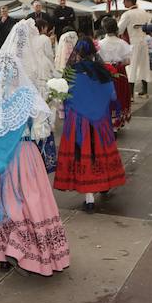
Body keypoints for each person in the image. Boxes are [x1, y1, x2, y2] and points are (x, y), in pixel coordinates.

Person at [0, 20, 71, 277]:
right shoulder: (28, 97)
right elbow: (42, 130)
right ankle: (30, 252)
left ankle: (3, 251)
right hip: (24, 158)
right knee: (28, 202)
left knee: (0, 203)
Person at [55, 38, 126, 212]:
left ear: (77, 52)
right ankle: (103, 184)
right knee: (99, 153)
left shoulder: (70, 72)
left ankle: (89, 198)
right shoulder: (102, 71)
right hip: (99, 121)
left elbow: (64, 97)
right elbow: (112, 97)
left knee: (82, 154)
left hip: (78, 121)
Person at [25, 14, 59, 173]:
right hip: (44, 70)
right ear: (42, 28)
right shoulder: (44, 39)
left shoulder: (27, 41)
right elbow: (50, 55)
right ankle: (47, 148)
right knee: (46, 108)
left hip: (31, 75)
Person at [97, 17, 133, 129]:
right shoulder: (122, 43)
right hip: (119, 71)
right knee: (120, 95)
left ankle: (108, 121)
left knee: (106, 97)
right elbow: (127, 61)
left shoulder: (100, 44)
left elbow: (97, 60)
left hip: (105, 72)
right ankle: (118, 121)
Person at [115, 0, 151, 98]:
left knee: (132, 67)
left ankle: (130, 95)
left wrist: (117, 21)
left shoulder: (127, 14)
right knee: (144, 65)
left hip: (132, 42)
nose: (123, 3)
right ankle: (145, 90)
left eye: (124, 0)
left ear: (129, 1)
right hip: (143, 40)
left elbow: (119, 30)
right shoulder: (143, 12)